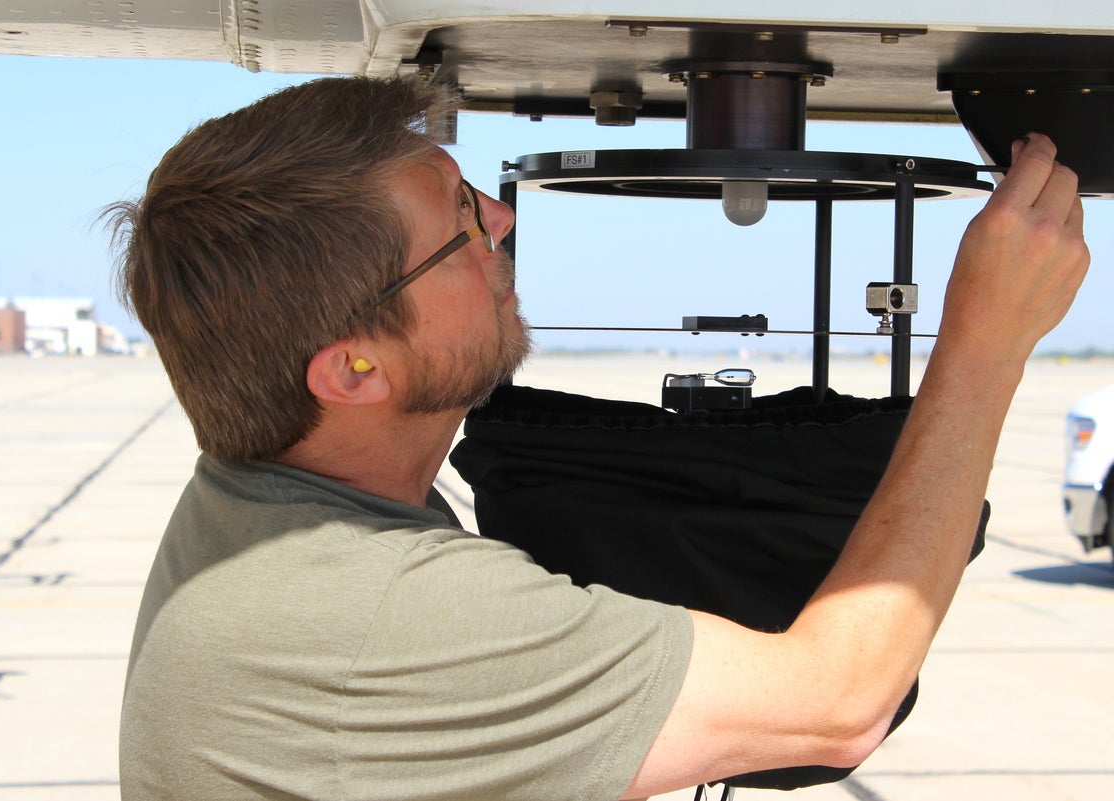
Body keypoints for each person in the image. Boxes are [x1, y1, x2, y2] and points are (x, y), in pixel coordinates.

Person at [107, 76, 1089, 801]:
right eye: (458, 225)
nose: (498, 219)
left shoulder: (271, 502)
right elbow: (835, 707)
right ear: (358, 370)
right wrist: (986, 341)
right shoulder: (373, 613)